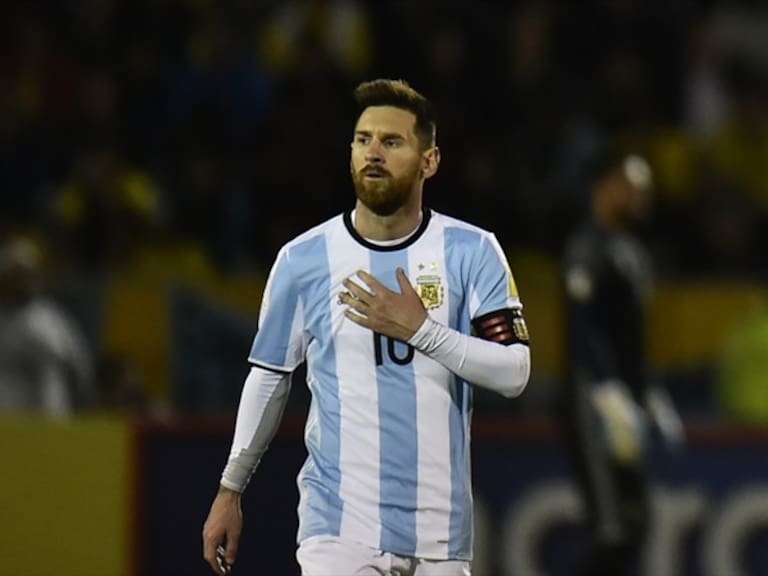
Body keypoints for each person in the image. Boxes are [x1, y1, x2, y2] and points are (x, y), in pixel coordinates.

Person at [202, 78, 531, 576]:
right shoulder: (303, 260)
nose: (373, 152)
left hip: (440, 536)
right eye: (363, 140)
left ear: (430, 161)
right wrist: (231, 489)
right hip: (339, 527)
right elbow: (270, 376)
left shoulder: (472, 252)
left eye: (392, 141)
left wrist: (423, 331)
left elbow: (515, 372)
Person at [559, 148, 684, 575]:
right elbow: (583, 328)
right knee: (610, 527)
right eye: (632, 186)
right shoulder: (586, 247)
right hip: (592, 398)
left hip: (627, 399)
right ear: (606, 186)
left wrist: (649, 393)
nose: (642, 195)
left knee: (636, 521)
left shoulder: (633, 253)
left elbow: (635, 340)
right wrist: (607, 389)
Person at [0, 235, 94, 416]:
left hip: (46, 425)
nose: (23, 282)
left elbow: (80, 371)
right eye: (15, 276)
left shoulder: (53, 320)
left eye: (27, 275)